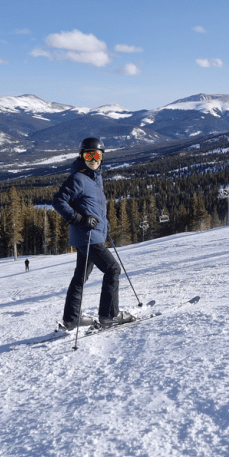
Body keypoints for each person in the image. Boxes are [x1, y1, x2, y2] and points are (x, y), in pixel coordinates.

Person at [52, 137, 136, 330]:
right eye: (89, 155)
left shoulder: (95, 179)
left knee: (80, 277)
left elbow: (93, 207)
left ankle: (72, 318)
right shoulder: (78, 178)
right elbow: (58, 201)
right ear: (81, 156)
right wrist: (79, 219)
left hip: (90, 235)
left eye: (97, 155)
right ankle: (109, 316)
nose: (93, 159)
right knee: (112, 269)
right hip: (87, 236)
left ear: (102, 158)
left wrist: (103, 225)